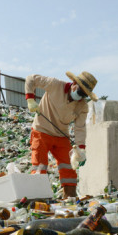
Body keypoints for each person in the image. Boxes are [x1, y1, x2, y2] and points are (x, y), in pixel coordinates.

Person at [24, 71, 97, 199]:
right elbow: (31, 79)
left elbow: (80, 128)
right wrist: (30, 99)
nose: (80, 97)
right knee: (40, 166)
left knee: (69, 167)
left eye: (84, 95)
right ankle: (39, 199)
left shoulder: (82, 106)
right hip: (42, 130)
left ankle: (70, 198)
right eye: (80, 93)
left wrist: (81, 149)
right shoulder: (55, 85)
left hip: (61, 135)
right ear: (74, 84)